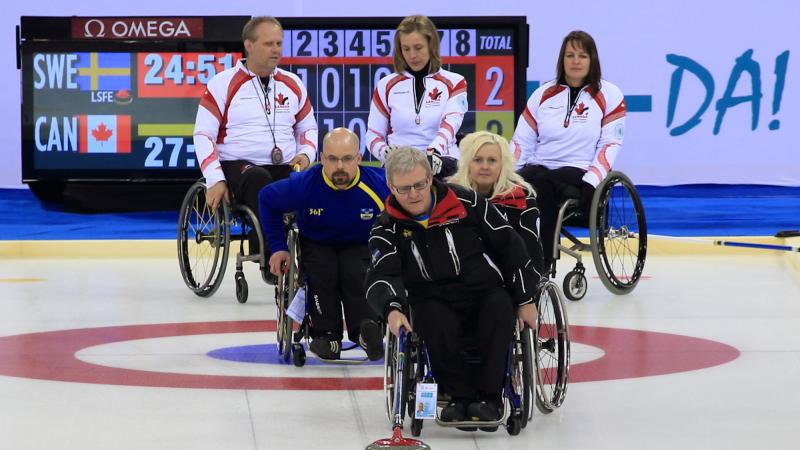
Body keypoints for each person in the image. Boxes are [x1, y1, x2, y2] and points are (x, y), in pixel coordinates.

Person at [365, 147, 538, 429]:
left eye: (419, 185)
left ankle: (490, 398)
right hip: (431, 297)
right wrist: (392, 308)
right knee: (432, 320)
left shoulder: (466, 202)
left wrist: (526, 298)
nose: (413, 194)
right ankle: (459, 397)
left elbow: (510, 246)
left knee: (499, 310)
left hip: (484, 291)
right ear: (391, 187)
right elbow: (381, 274)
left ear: (431, 178)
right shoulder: (387, 227)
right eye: (404, 188)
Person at [193, 16, 318, 259]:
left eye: (279, 44)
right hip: (240, 167)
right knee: (258, 178)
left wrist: (305, 154)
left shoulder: (293, 83)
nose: (276, 50)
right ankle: (276, 255)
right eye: (269, 44)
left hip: (284, 164)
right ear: (249, 45)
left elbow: (308, 129)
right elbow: (203, 134)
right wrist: (214, 179)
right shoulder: (222, 83)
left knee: (316, 181)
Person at [258, 128, 388, 361]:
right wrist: (278, 247)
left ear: (359, 158)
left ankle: (365, 332)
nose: (340, 166)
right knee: (322, 273)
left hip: (360, 244)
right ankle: (327, 336)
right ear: (322, 158)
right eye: (333, 159)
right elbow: (267, 198)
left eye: (347, 159)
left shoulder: (378, 185)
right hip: (317, 243)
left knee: (356, 273)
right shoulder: (305, 185)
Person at [511, 30, 626, 271]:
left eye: (582, 56)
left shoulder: (609, 94)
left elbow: (610, 144)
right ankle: (511, 258)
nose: (575, 61)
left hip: (580, 169)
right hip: (540, 164)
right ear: (561, 60)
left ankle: (542, 262)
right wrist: (508, 174)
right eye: (570, 55)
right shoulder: (543, 93)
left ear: (592, 60)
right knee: (518, 185)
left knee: (541, 183)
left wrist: (592, 180)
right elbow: (522, 141)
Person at [366, 14, 467, 179]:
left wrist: (433, 152)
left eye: (418, 47)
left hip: (442, 162)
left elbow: (449, 126)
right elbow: (373, 135)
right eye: (406, 49)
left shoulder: (455, 82)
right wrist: (385, 152)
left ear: (431, 45)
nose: (412, 55)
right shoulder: (385, 85)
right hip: (399, 164)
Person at [449, 131, 545, 278]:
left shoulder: (521, 197)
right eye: (478, 160)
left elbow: (532, 250)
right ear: (467, 163)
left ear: (503, 164)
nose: (485, 166)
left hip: (510, 278)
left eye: (492, 160)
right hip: (463, 281)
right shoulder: (450, 197)